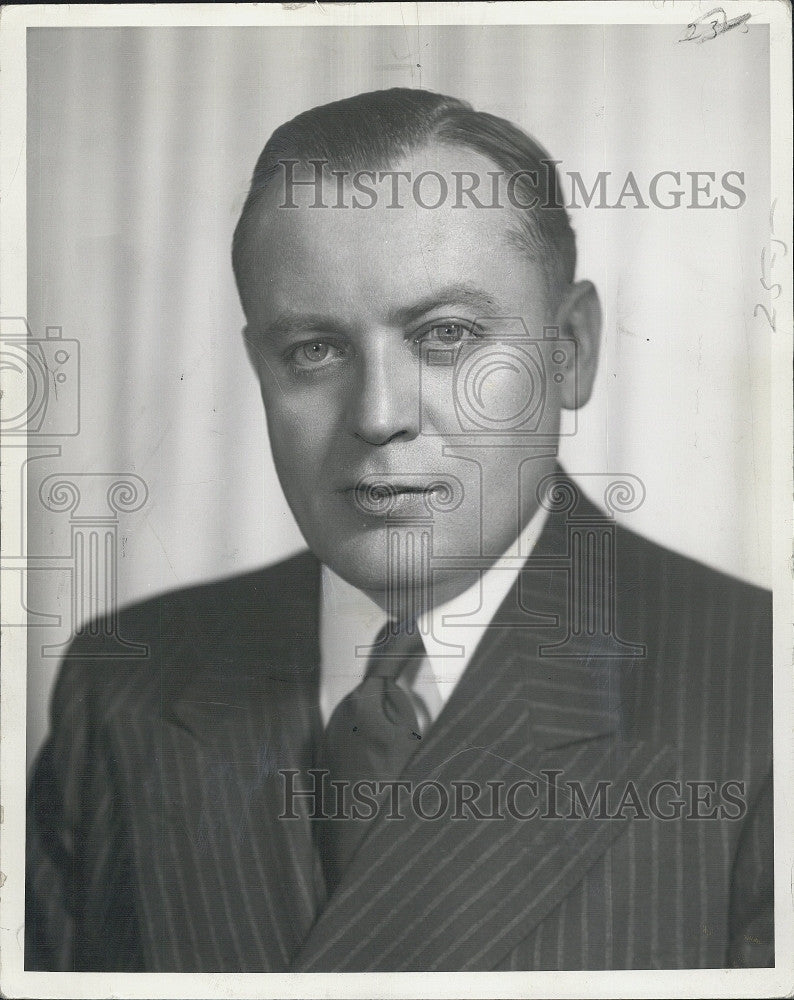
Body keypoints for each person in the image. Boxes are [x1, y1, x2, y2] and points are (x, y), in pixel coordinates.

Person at [25, 88, 773, 973]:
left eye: (448, 336)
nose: (378, 417)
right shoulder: (127, 683)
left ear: (569, 351)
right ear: (259, 365)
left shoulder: (761, 687)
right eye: (314, 349)